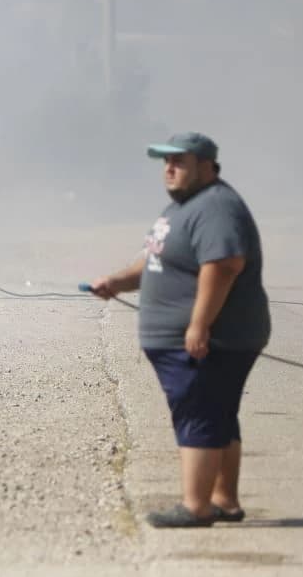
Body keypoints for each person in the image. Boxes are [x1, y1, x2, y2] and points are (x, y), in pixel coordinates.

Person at [85, 132, 270, 528]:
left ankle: (196, 507)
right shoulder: (182, 208)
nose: (169, 169)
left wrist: (199, 325)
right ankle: (224, 500)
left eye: (179, 162)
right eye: (166, 162)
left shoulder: (216, 206)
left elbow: (223, 265)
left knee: (198, 413)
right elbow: (154, 261)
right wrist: (116, 282)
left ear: (206, 166)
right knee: (217, 414)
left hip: (213, 339)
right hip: (197, 337)